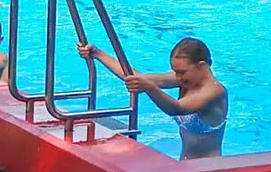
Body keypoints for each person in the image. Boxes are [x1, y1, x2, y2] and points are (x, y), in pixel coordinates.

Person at [78, 37, 227, 159]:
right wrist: (97, 54)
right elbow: (134, 77)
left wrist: (150, 88)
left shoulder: (215, 91)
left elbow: (177, 108)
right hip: (184, 165)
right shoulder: (185, 81)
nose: (178, 77)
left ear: (202, 66)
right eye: (175, 72)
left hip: (209, 171)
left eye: (181, 72)